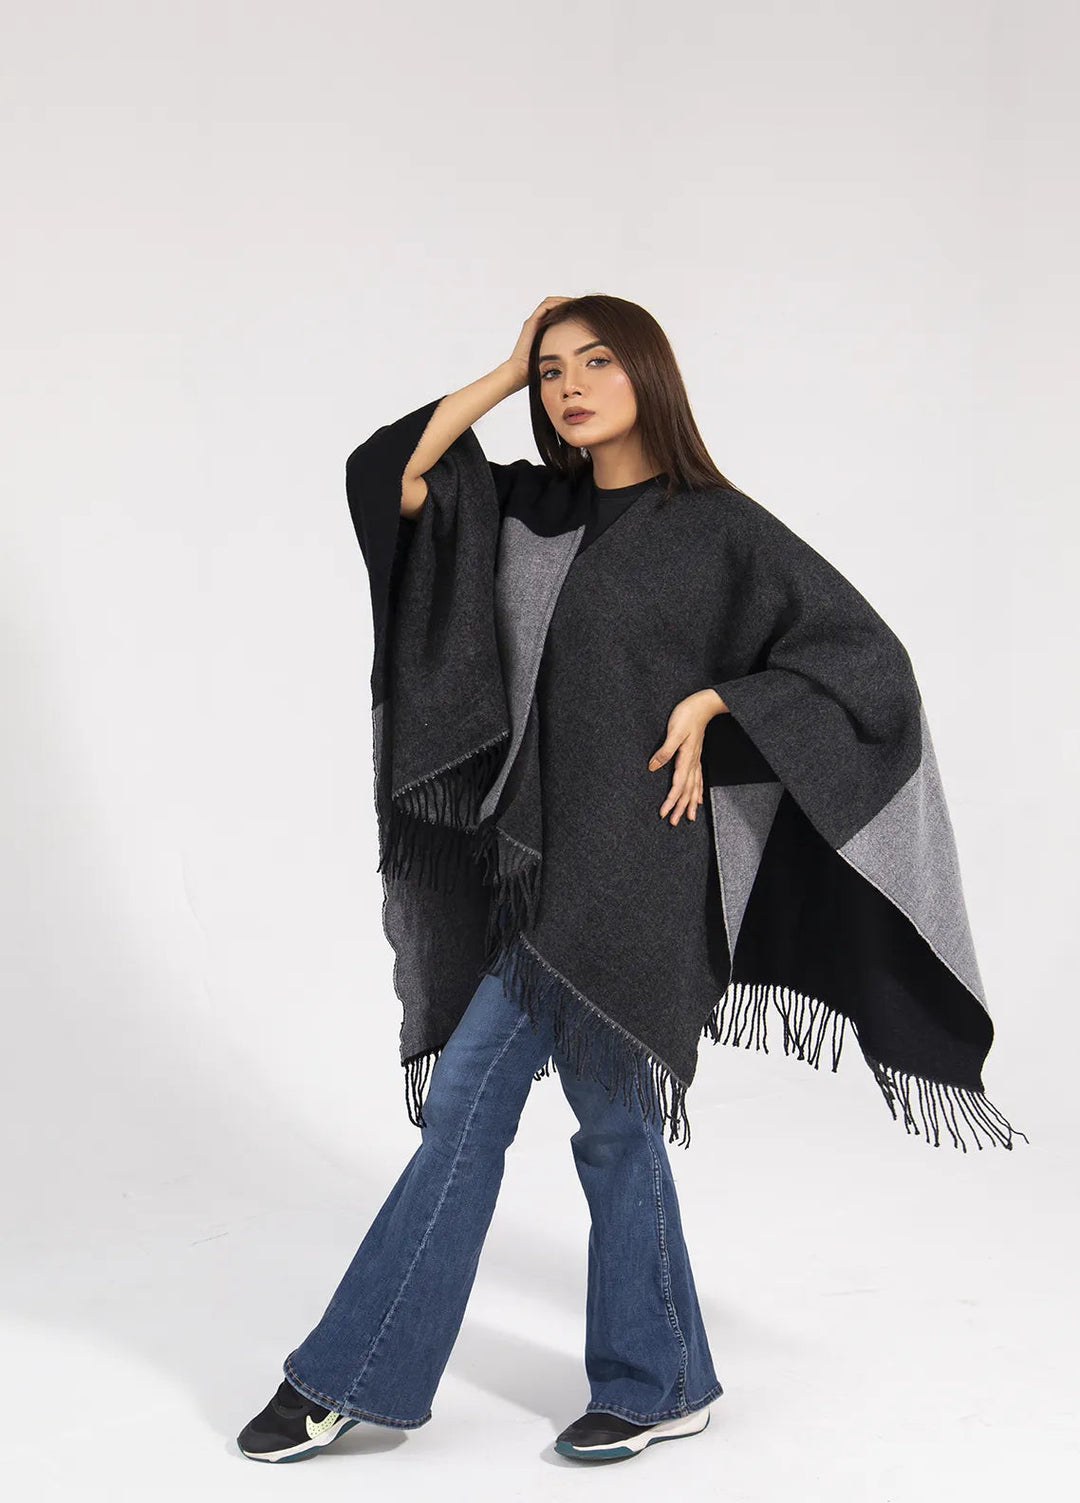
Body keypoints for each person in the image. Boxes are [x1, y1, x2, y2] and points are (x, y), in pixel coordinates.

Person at [237, 293, 1023, 1466]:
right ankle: (661, 1379)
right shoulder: (523, 507)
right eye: (554, 369)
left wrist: (724, 701)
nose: (570, 385)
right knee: (602, 1125)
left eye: (596, 361)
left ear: (649, 373)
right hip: (531, 872)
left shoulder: (719, 531)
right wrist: (502, 369)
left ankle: (355, 1377)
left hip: (642, 874)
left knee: (486, 1111)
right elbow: (386, 475)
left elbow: (869, 664)